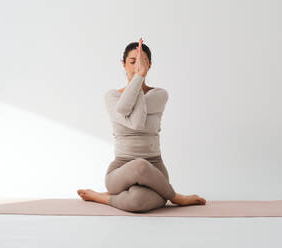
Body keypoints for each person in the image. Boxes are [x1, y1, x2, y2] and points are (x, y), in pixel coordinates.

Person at [77, 37, 206, 212]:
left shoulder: (160, 94)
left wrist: (137, 78)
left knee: (137, 202)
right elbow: (135, 121)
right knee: (140, 165)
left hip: (155, 169)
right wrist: (139, 77)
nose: (137, 66)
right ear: (123, 65)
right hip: (120, 172)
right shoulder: (111, 96)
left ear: (149, 66)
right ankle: (175, 197)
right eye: (132, 62)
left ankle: (104, 197)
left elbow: (130, 112)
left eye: (142, 63)